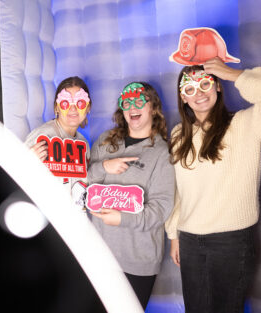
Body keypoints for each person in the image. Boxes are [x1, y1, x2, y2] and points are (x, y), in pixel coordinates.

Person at [165, 57, 261, 313]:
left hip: (231, 242)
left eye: (205, 84)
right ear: (183, 98)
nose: (199, 94)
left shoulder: (247, 124)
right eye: (190, 89)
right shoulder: (179, 135)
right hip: (190, 239)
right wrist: (174, 234)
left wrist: (231, 73)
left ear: (218, 86)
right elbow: (180, 191)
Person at [88, 82, 175, 310]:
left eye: (139, 102)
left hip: (137, 262)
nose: (132, 108)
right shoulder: (106, 140)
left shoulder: (161, 154)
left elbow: (161, 208)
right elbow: (84, 180)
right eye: (127, 103)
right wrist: (104, 166)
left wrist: (122, 218)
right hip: (98, 256)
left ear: (153, 108)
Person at [24, 76, 91, 208]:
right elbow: (13, 175)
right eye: (66, 103)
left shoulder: (84, 143)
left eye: (80, 103)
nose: (73, 109)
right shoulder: (43, 136)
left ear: (88, 108)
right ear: (57, 107)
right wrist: (26, 161)